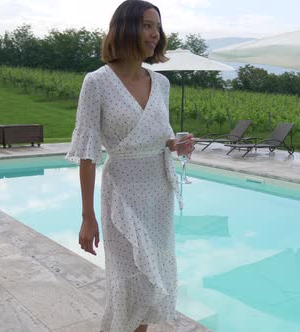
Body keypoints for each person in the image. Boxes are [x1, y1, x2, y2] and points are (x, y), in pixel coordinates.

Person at [66, 1, 193, 331]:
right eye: (147, 25)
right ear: (125, 28)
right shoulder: (97, 82)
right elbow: (88, 153)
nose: (155, 34)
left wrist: (176, 145)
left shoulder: (161, 83)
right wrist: (87, 216)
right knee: (128, 282)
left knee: (153, 283)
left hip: (158, 195)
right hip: (122, 194)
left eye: (157, 27)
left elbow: (160, 138)